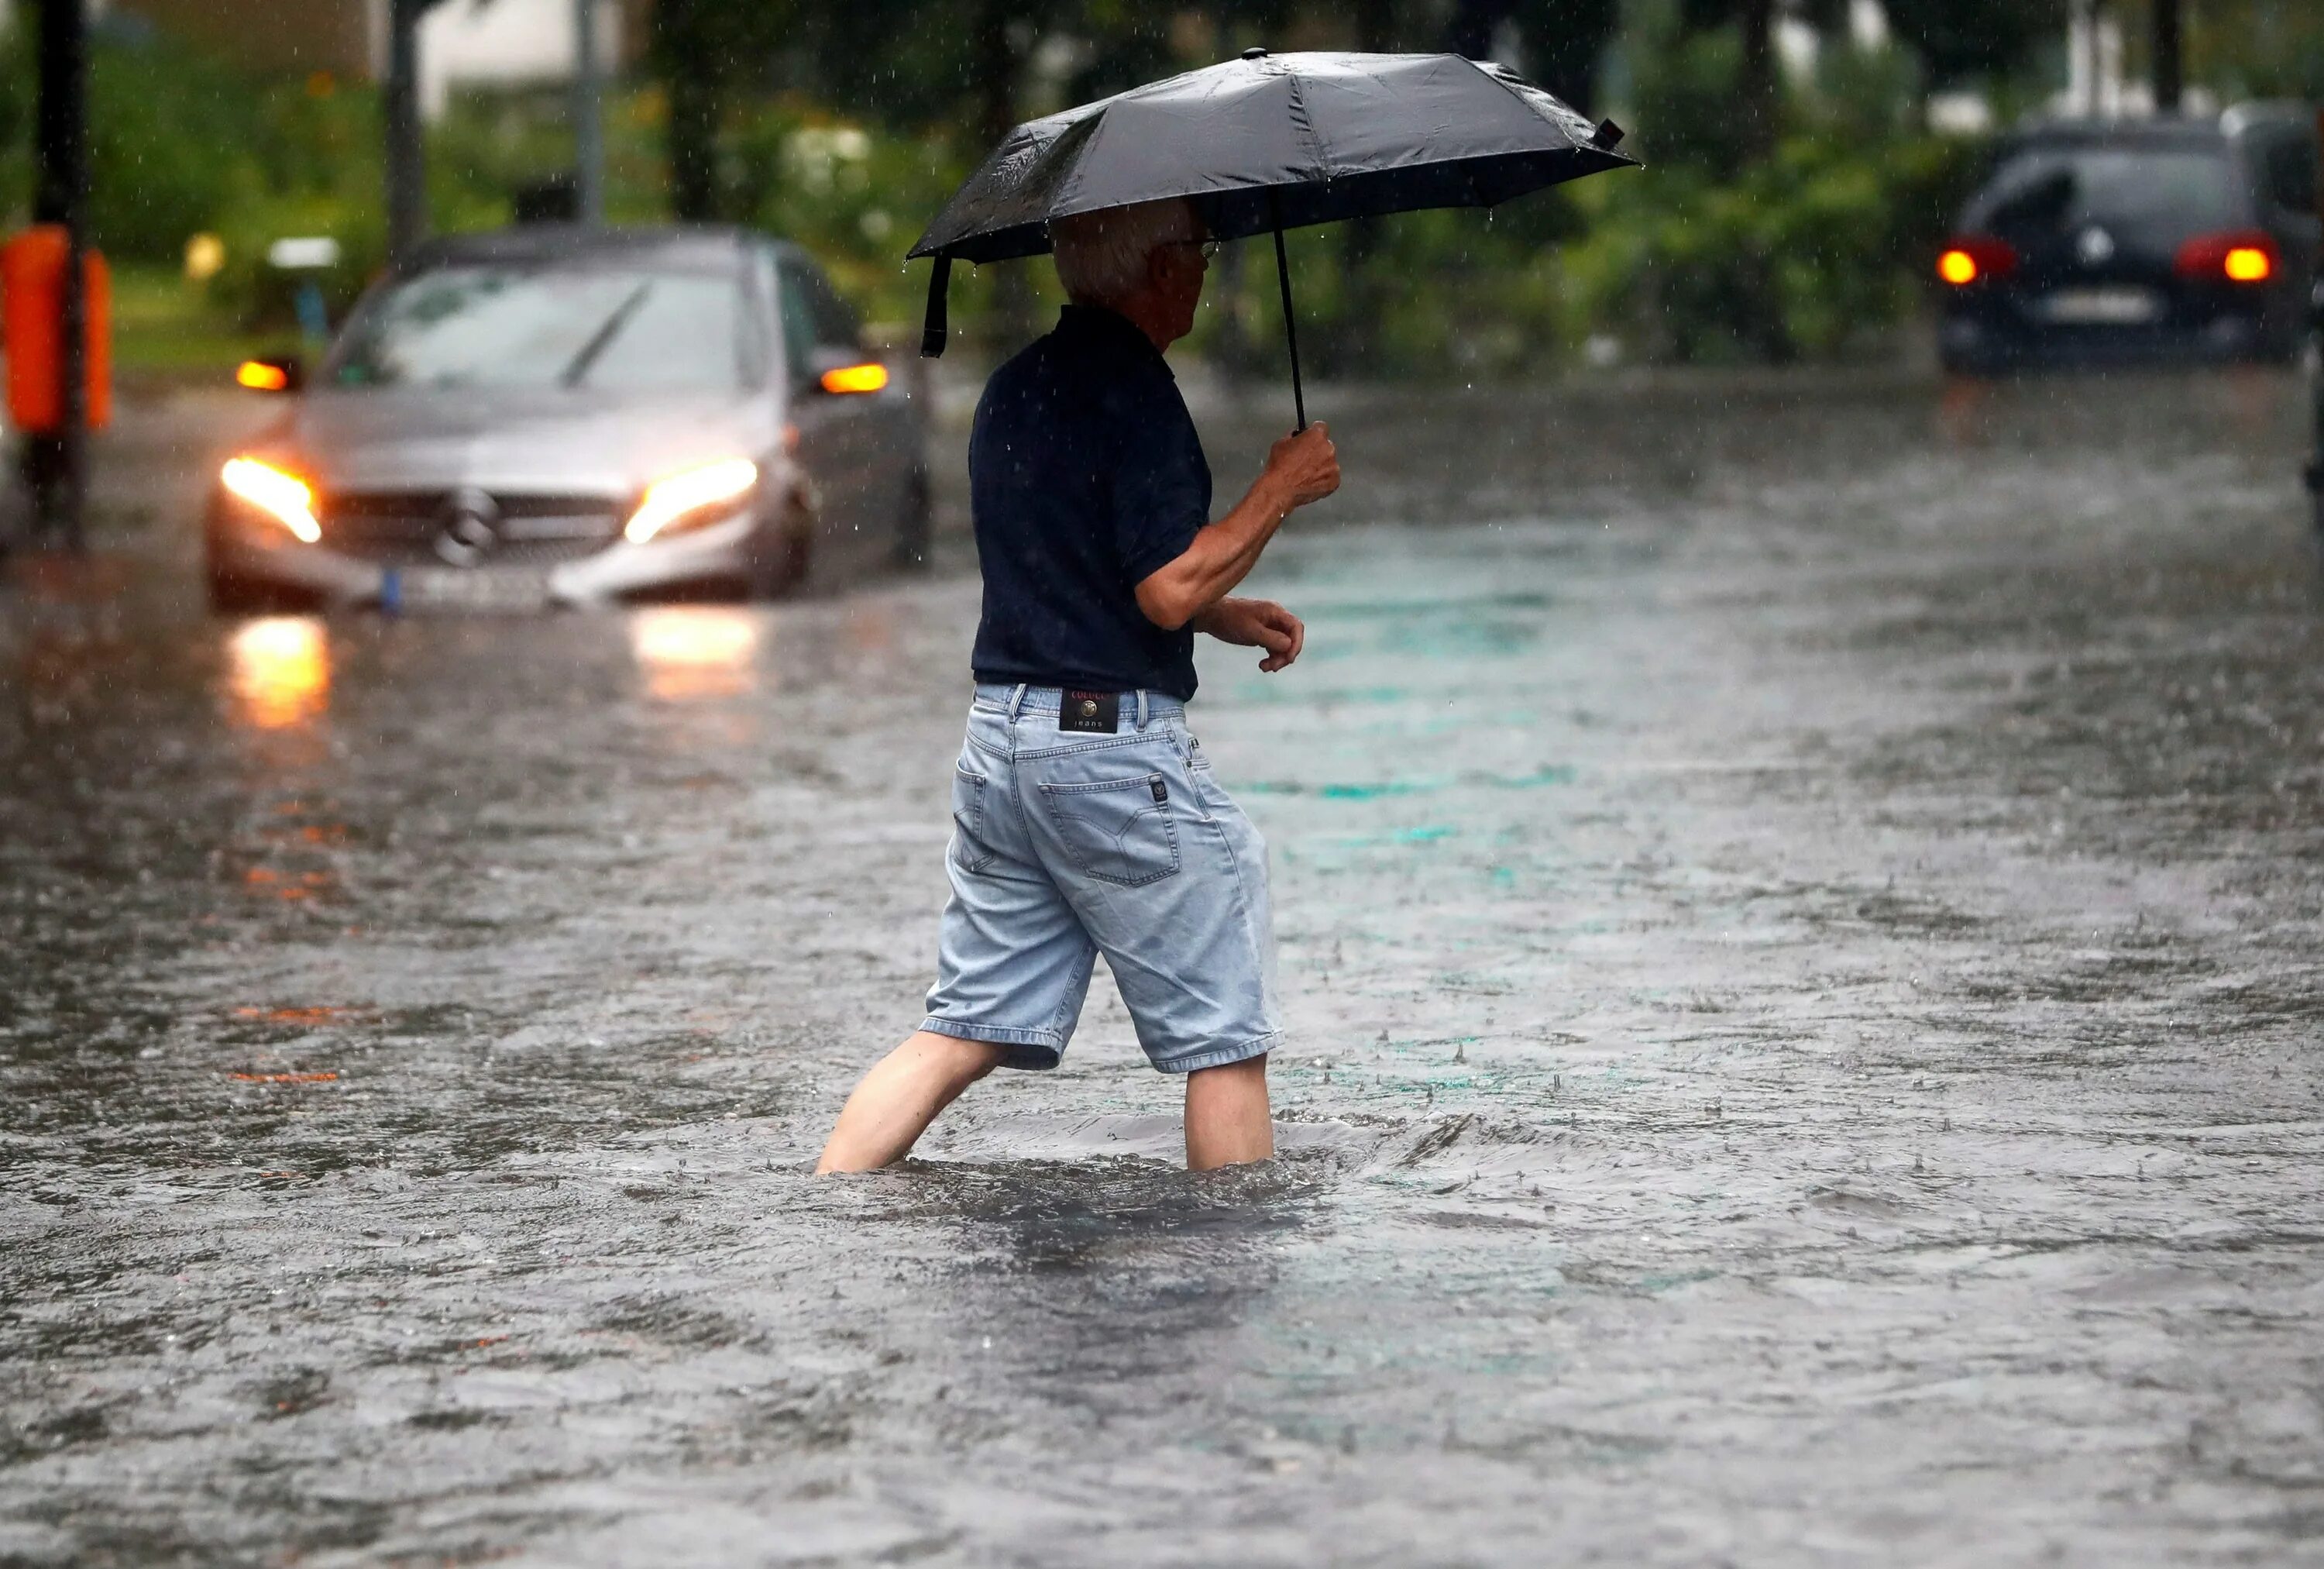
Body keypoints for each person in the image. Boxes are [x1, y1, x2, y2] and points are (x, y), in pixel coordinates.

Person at [816, 196, 1340, 1175]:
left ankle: (823, 1201)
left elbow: (1070, 564)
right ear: (1155, 269)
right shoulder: (1138, 394)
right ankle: (1233, 1285)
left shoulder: (1015, 388)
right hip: (1107, 756)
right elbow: (1164, 586)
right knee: (1227, 1035)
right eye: (1196, 248)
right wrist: (1280, 490)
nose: (1205, 264)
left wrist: (1220, 613)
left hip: (1002, 750)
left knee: (960, 1029)